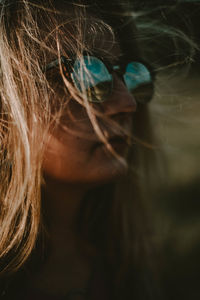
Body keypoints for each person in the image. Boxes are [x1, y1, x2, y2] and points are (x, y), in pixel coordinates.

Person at [0, 0, 159, 299]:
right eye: (87, 74)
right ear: (4, 119)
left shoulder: (123, 262)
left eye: (129, 74)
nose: (128, 103)